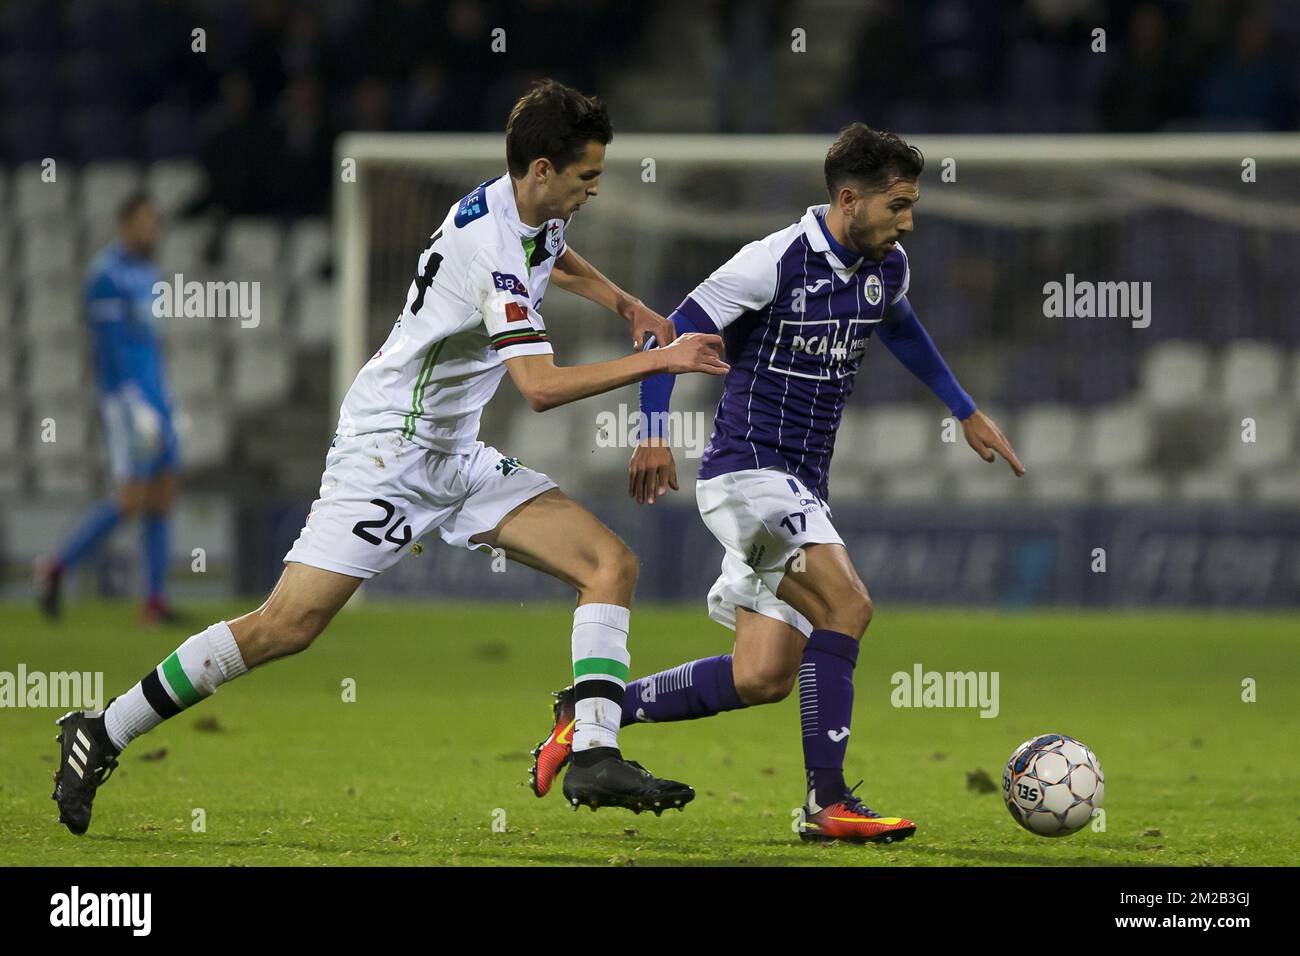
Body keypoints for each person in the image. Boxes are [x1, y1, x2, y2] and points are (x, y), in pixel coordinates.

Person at [51, 79, 729, 836]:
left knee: (610, 566)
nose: (594, 192)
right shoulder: (492, 247)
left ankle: (595, 751)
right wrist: (660, 358)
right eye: (586, 178)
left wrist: (625, 305)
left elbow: (558, 255)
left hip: (453, 453)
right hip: (386, 454)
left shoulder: (517, 207)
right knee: (286, 626)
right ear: (541, 170)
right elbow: (537, 387)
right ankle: (104, 729)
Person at [529, 123, 1024, 843]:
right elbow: (670, 334)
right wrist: (653, 433)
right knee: (848, 606)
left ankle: (591, 715)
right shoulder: (772, 262)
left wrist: (966, 410)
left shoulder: (888, 267)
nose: (909, 221)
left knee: (763, 675)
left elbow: (904, 328)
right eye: (898, 205)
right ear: (849, 200)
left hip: (802, 489)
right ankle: (828, 805)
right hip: (748, 477)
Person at [35, 194, 183, 626]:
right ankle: (55, 567)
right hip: (127, 403)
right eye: (144, 222)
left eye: (155, 222)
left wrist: (163, 399)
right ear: (124, 224)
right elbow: (109, 348)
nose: (151, 230)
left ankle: (154, 601)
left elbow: (147, 344)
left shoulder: (147, 272)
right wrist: (134, 403)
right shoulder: (105, 275)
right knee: (131, 499)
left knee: (163, 494)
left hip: (157, 397)